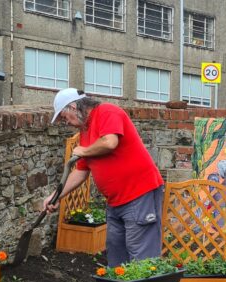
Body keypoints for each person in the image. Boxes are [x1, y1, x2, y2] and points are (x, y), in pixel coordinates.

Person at [45, 88, 165, 267]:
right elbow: (80, 171)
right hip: (115, 203)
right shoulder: (85, 132)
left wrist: (84, 150)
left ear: (73, 107)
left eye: (64, 117)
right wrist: (55, 196)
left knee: (142, 258)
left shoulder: (107, 111)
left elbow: (110, 142)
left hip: (139, 194)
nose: (65, 123)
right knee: (117, 257)